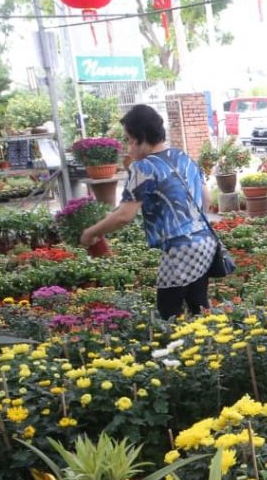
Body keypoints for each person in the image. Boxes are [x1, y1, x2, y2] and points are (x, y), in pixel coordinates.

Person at [80, 104, 216, 319]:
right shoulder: (183, 157)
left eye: (128, 139)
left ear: (139, 137)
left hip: (179, 248)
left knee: (168, 314)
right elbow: (206, 199)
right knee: (199, 309)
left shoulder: (143, 167)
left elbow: (124, 216)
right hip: (205, 242)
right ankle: (211, 348)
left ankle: (173, 350)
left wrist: (92, 232)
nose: (128, 146)